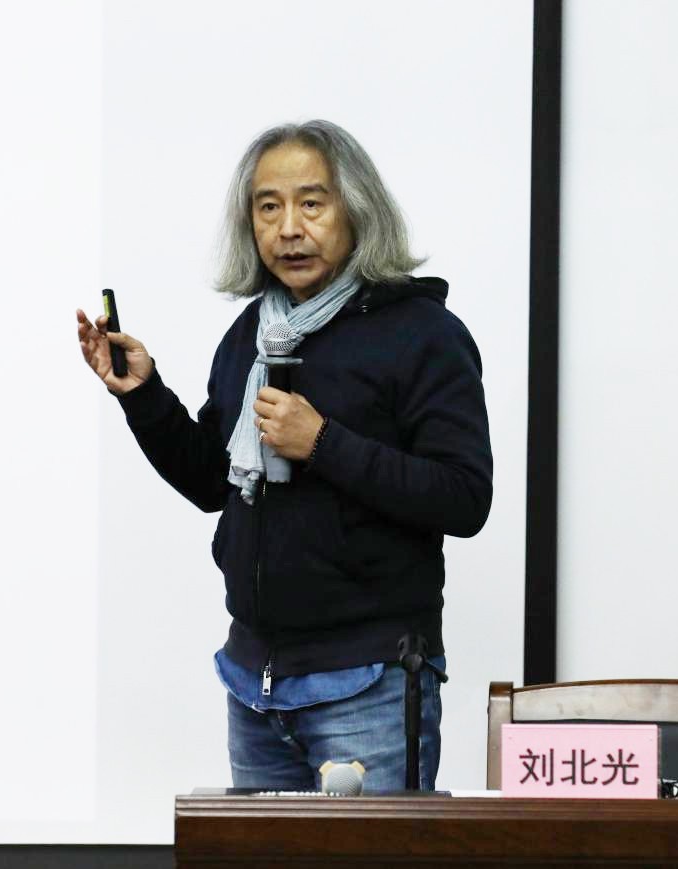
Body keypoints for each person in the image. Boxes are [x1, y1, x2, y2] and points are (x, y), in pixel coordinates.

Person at [76, 120, 492, 792]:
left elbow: (464, 497)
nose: (288, 228)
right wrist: (143, 395)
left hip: (368, 683)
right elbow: (212, 481)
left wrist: (322, 442)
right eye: (268, 207)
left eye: (311, 203)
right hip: (254, 684)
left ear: (357, 210)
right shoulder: (254, 333)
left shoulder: (423, 335)